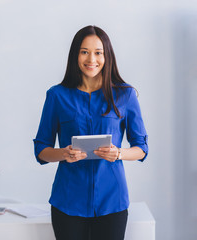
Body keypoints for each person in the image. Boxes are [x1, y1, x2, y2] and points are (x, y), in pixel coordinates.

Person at [33, 25, 148, 240]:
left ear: (107, 56)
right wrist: (64, 154)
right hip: (67, 202)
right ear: (75, 55)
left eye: (98, 52)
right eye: (84, 51)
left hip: (112, 201)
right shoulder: (56, 96)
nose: (91, 59)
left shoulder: (126, 95)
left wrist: (119, 153)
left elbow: (141, 148)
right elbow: (41, 149)